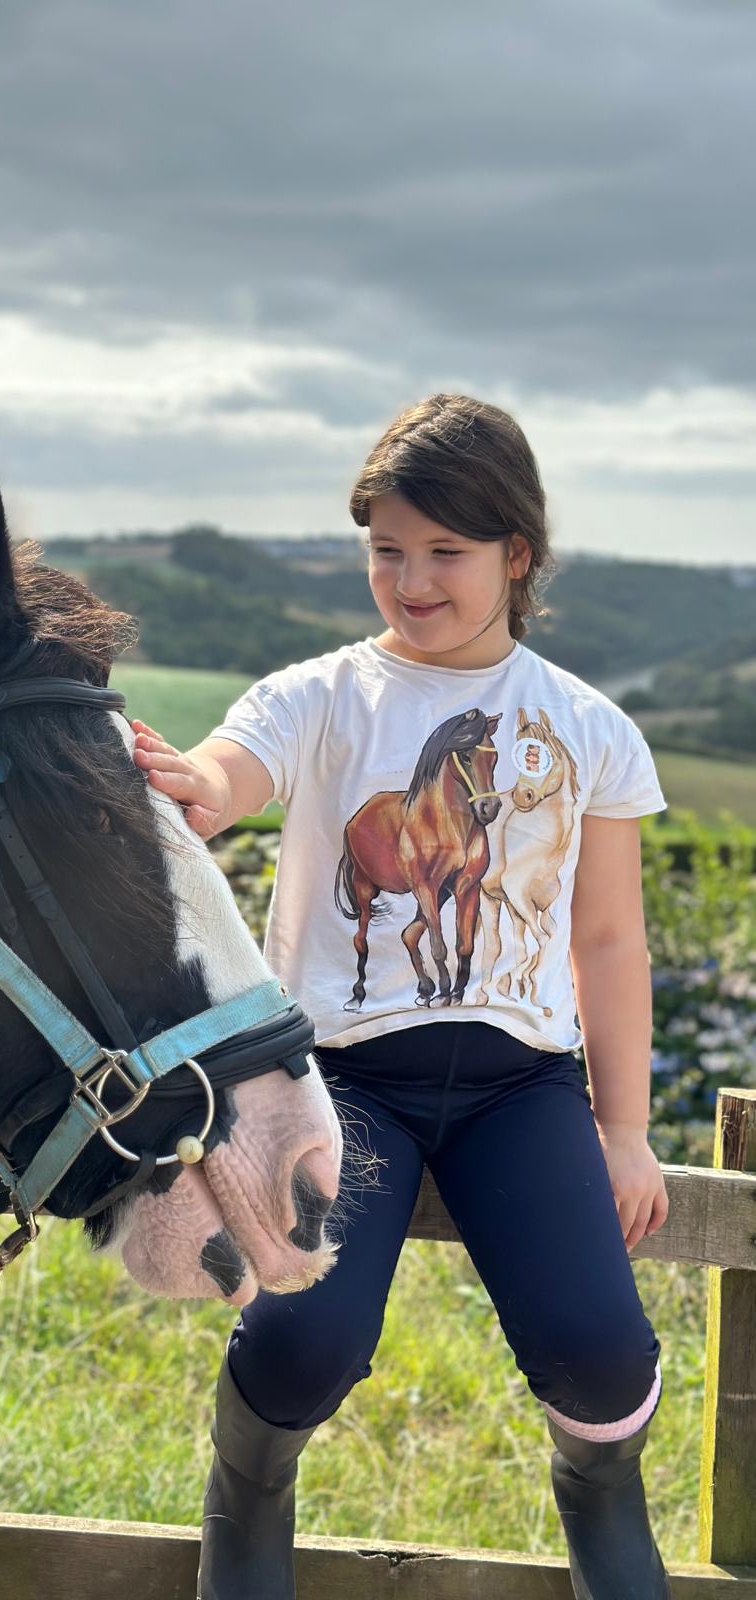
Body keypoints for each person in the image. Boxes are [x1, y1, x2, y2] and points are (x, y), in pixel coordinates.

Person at [131, 394, 672, 1600]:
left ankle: (599, 1501)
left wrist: (624, 1128)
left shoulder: (590, 729)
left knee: (597, 1350)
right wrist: (189, 781)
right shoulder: (320, 695)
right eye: (387, 550)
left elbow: (609, 939)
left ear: (516, 555)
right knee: (306, 1339)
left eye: (447, 552)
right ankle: (248, 1496)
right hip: (345, 1078)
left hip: (519, 1086)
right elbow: (232, 771)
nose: (412, 579)